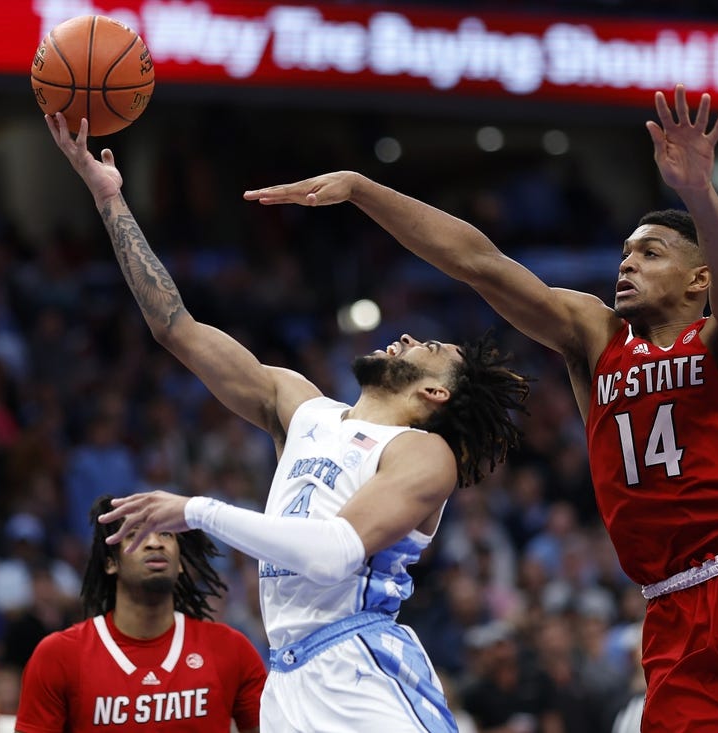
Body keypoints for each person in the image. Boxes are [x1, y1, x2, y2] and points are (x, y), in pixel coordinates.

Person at [242, 84, 718, 731]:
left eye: (650, 252)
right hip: (670, 610)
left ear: (699, 280)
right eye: (625, 252)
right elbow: (481, 264)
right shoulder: (596, 337)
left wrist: (697, 192)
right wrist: (362, 188)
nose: (627, 263)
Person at [44, 112, 530, 732]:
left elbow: (333, 556)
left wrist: (195, 510)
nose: (406, 337)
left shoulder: (420, 454)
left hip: (362, 671)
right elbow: (175, 328)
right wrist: (109, 199)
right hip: (288, 680)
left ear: (436, 392)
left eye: (427, 348)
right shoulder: (300, 406)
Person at [14, 496, 266, 732]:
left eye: (166, 533)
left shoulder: (231, 649)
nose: (154, 542)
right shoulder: (58, 655)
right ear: (110, 563)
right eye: (135, 534)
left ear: (179, 563)